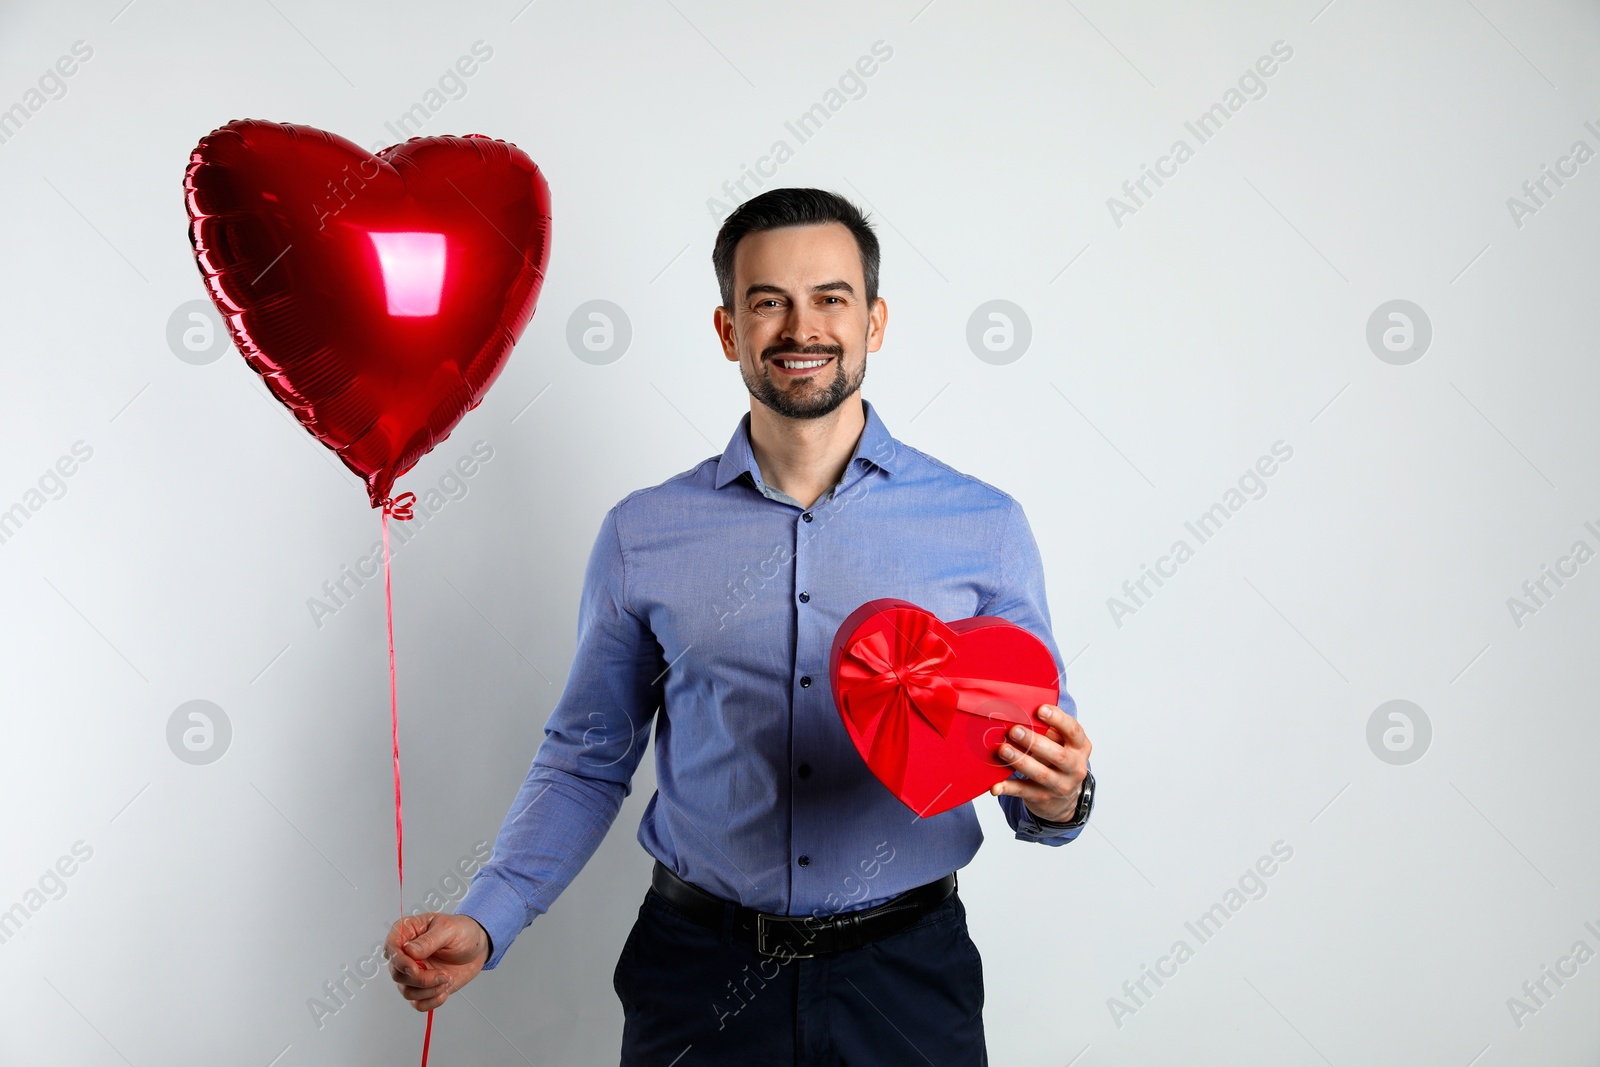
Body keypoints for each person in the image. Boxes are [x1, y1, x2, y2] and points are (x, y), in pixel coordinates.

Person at [385, 187, 1095, 1064]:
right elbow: (586, 755)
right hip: (698, 981)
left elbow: (1035, 763)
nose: (803, 328)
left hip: (909, 978)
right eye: (770, 302)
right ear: (729, 331)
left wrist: (1061, 797)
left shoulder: (983, 525)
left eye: (831, 298)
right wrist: (488, 917)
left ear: (875, 321)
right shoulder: (642, 534)